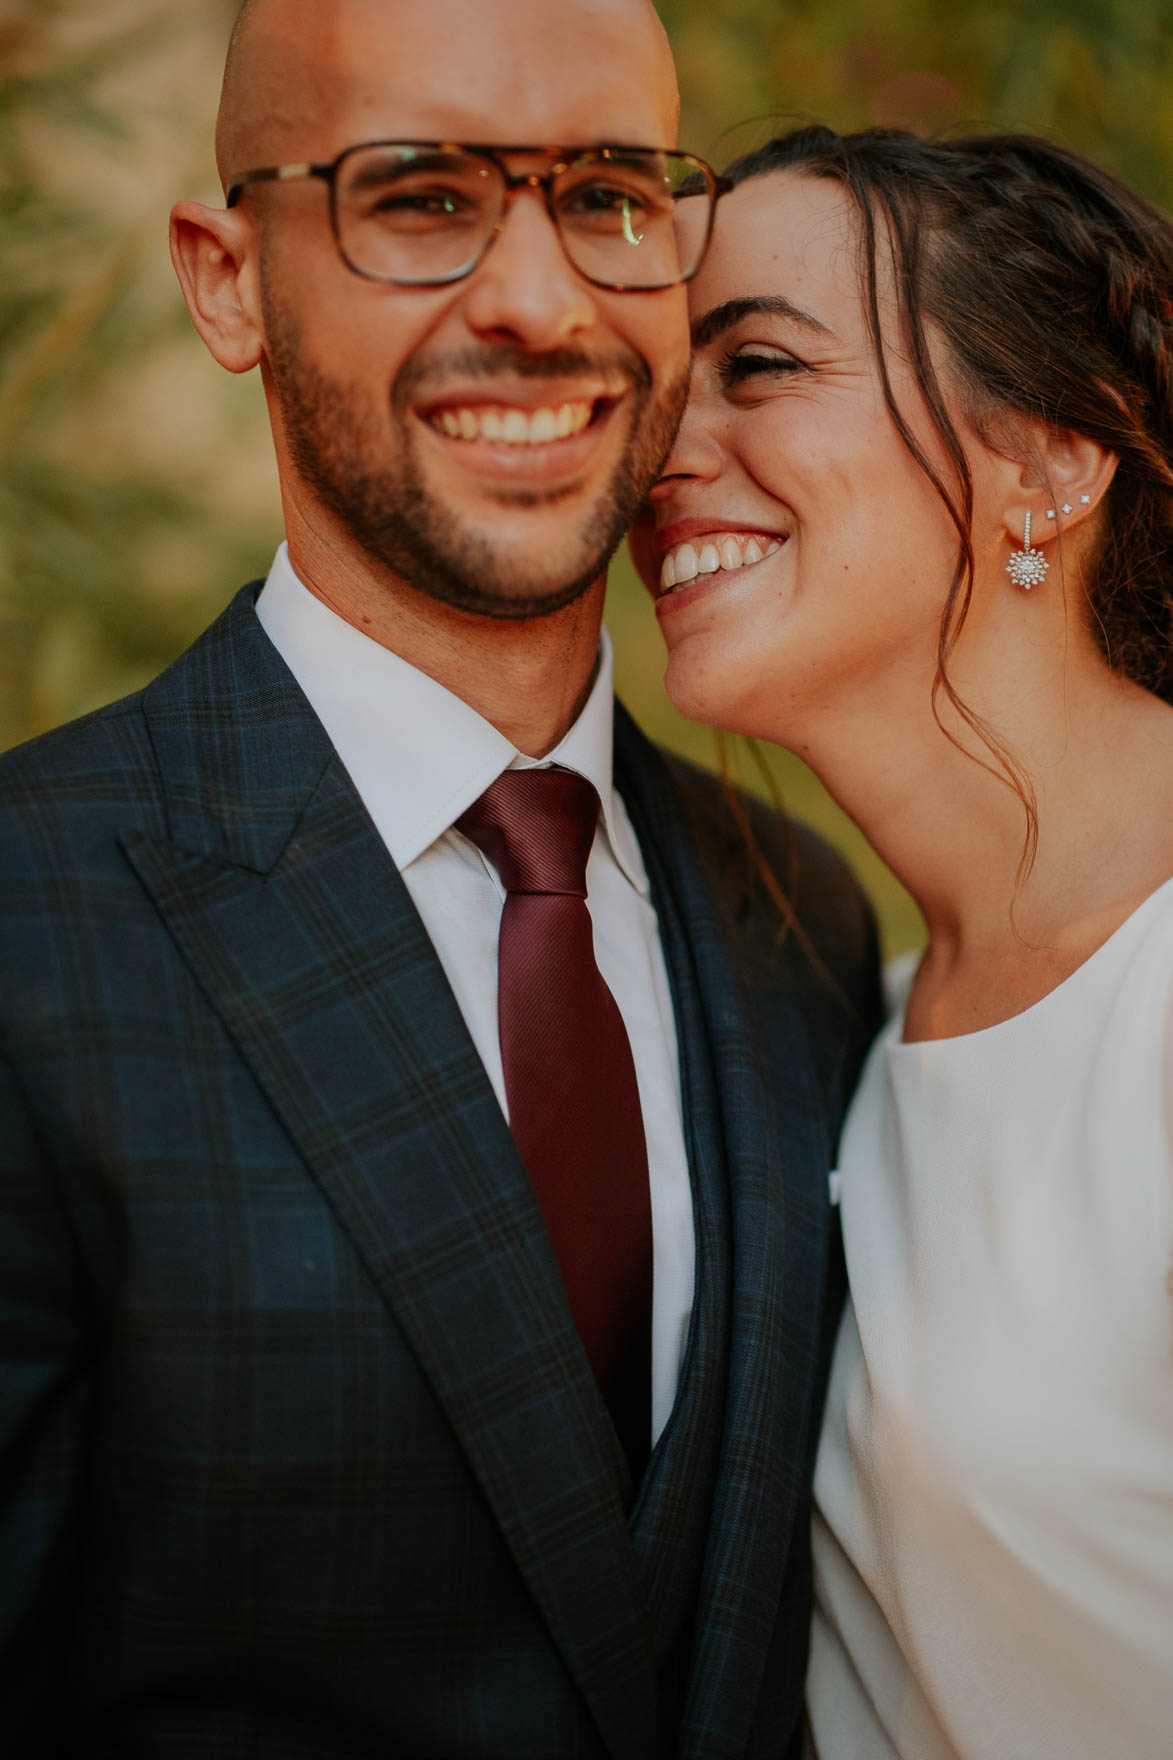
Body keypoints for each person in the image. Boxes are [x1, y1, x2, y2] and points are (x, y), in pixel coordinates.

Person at [0, 4, 882, 1752]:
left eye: (610, 195)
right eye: (418, 196)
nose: (540, 303)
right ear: (227, 276)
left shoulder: (799, 914)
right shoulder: (30, 916)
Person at [632, 122, 1173, 1759]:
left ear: (1051, 460)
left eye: (759, 365)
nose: (663, 449)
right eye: (663, 383)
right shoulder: (827, 1029)